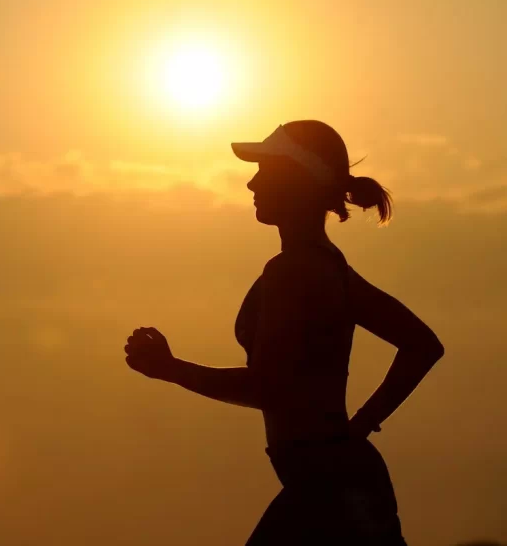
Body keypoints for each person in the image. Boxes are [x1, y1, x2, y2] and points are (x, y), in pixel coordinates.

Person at [123, 120, 444, 545]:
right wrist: (359, 426)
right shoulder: (330, 266)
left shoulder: (295, 272)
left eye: (265, 171)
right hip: (341, 486)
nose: (251, 184)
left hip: (328, 495)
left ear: (298, 181)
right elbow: (423, 345)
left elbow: (268, 388)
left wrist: (171, 369)